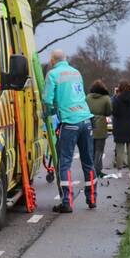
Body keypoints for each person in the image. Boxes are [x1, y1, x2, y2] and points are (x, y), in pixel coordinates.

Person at [43, 49, 96, 213]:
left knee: (64, 163)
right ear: (65, 58)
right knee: (88, 162)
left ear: (52, 60)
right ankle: (92, 199)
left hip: (69, 122)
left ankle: (67, 202)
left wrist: (50, 112)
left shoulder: (52, 75)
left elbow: (47, 99)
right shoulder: (76, 72)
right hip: (86, 120)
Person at [86, 79, 113, 177]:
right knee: (99, 150)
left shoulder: (88, 97)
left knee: (90, 150)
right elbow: (109, 111)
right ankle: (97, 170)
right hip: (101, 125)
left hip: (89, 123)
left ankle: (89, 169)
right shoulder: (106, 98)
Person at [111, 81, 130, 171]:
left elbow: (114, 112)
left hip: (119, 126)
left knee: (120, 151)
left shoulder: (117, 99)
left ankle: (119, 170)